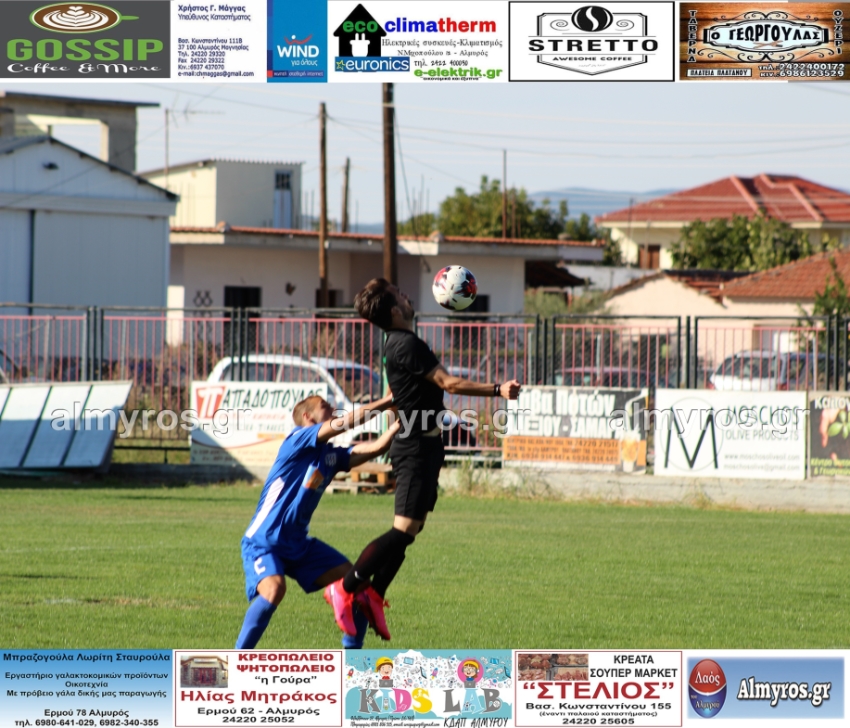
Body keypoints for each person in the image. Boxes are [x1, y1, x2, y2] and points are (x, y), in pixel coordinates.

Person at [325, 277, 521, 641]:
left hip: (427, 447)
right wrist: (498, 389)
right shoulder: (406, 343)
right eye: (400, 295)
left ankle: (374, 595)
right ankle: (346, 587)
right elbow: (449, 383)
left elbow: (399, 392)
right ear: (395, 310)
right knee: (401, 531)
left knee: (411, 531)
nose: (407, 296)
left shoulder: (397, 343)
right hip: (414, 448)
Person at [235, 392, 399, 649]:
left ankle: (351, 661)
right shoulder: (297, 440)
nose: (332, 408)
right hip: (264, 541)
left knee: (357, 586)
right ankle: (238, 659)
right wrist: (388, 400)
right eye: (325, 405)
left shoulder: (330, 455)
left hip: (299, 544)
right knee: (274, 589)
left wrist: (400, 420)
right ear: (307, 417)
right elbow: (346, 423)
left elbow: (377, 447)